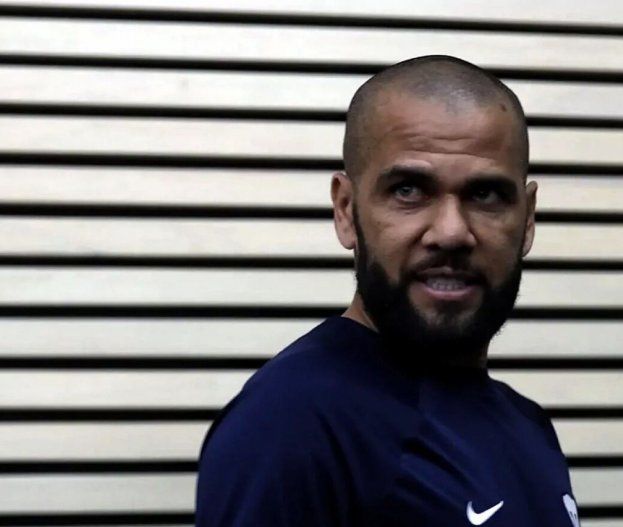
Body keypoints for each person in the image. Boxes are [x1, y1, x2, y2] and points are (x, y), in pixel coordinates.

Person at [195, 55, 580, 527]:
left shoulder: (528, 426)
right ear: (346, 210)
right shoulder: (294, 423)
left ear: (528, 219)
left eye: (485, 195)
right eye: (408, 191)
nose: (451, 232)